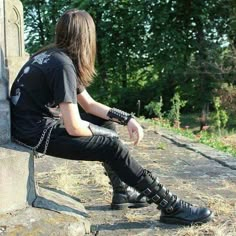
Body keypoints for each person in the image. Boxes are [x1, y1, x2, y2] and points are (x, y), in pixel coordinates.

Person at [10, 9, 213, 225]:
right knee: (111, 146)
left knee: (105, 122)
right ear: (87, 37)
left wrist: (126, 118)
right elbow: (74, 127)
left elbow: (89, 105)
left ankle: (122, 192)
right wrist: (110, 137)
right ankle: (171, 206)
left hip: (30, 126)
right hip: (35, 133)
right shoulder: (62, 65)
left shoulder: (51, 56)